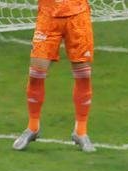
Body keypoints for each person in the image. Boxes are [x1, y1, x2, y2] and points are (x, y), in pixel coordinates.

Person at [12, 0, 96, 153]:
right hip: (48, 16)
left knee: (83, 74)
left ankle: (81, 131)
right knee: (36, 73)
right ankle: (33, 127)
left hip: (78, 16)